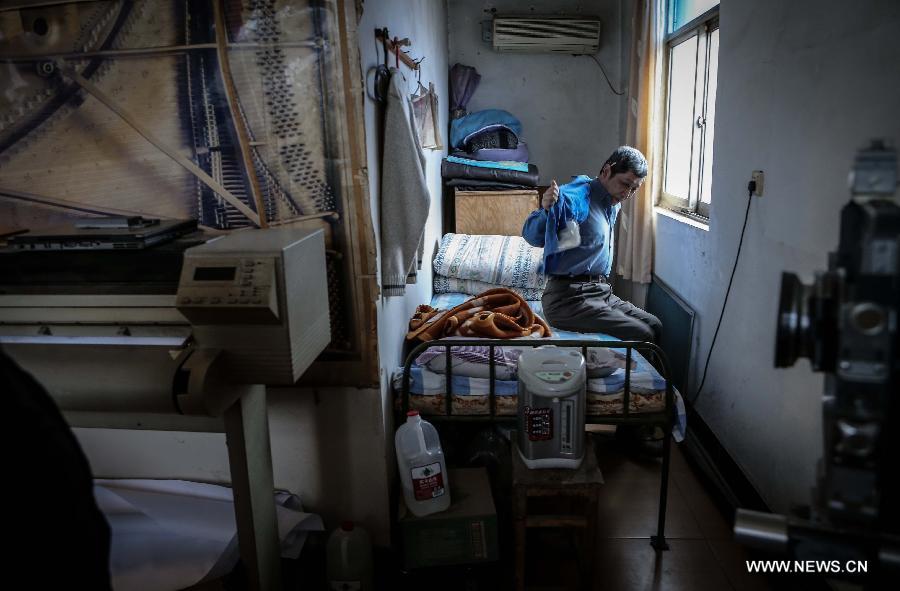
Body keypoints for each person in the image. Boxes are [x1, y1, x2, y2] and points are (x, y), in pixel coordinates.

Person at [522, 145, 662, 343]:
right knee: (643, 334)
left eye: (634, 189)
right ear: (606, 171)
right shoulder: (575, 198)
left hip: (600, 292)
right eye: (625, 184)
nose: (627, 193)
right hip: (568, 299)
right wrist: (546, 211)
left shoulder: (613, 205)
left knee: (655, 324)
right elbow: (531, 236)